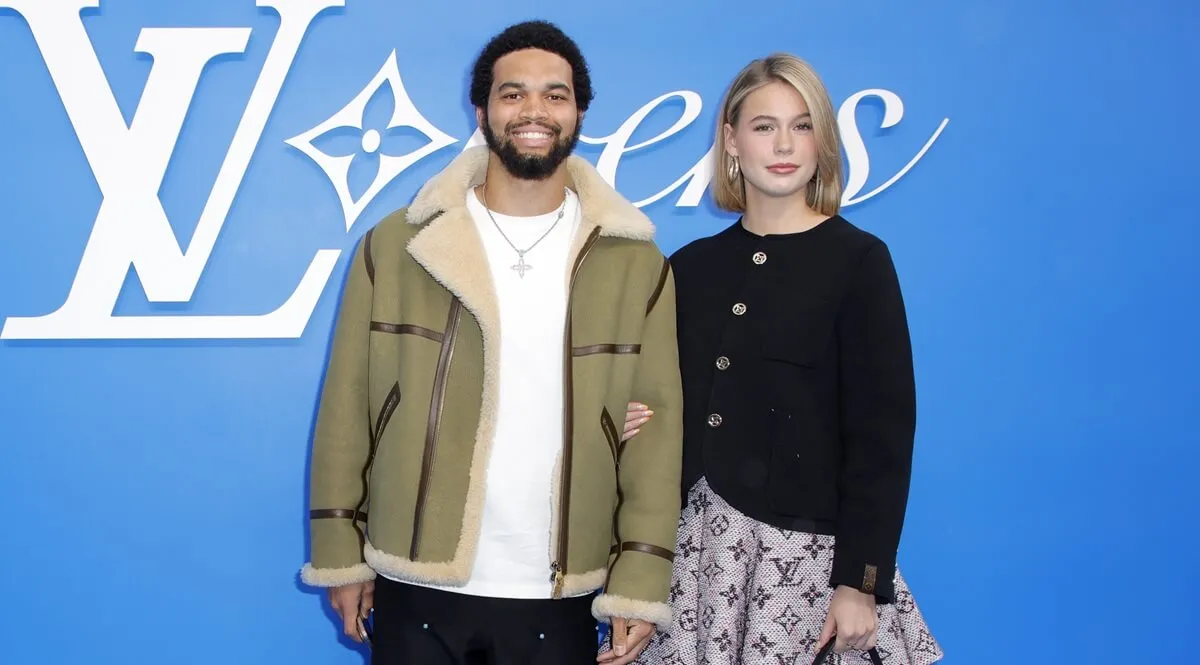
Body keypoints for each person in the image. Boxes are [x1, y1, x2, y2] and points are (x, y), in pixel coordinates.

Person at [299, 20, 684, 665]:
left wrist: (641, 582)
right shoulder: (398, 247)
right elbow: (347, 409)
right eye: (513, 93)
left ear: (580, 112)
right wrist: (341, 557)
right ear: (481, 110)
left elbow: (653, 439)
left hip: (562, 587)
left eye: (555, 94)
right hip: (417, 578)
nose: (534, 110)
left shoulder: (635, 262)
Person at [621, 53, 944, 664]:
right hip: (693, 558)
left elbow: (882, 436)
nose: (784, 144)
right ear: (731, 140)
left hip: (809, 564)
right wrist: (630, 417)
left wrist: (860, 582)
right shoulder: (688, 268)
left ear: (823, 141)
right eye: (764, 126)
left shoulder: (859, 262)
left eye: (802, 125)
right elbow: (661, 399)